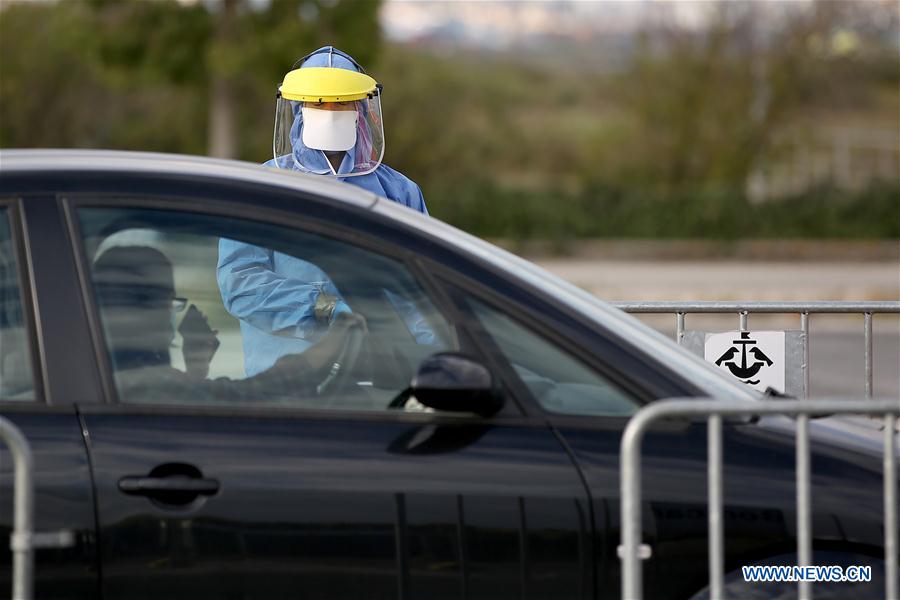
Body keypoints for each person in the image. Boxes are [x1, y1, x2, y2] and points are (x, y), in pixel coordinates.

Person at [218, 46, 430, 376]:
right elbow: (241, 284)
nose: (329, 111)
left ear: (361, 107)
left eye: (341, 101)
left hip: (382, 385)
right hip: (287, 386)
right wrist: (324, 308)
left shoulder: (400, 193)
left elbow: (425, 294)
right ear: (297, 108)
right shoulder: (259, 188)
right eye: (318, 102)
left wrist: (427, 368)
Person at [94, 245, 366, 404]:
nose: (172, 315)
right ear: (139, 311)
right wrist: (338, 330)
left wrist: (196, 365)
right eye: (168, 301)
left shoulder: (105, 380)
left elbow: (191, 411)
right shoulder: (140, 384)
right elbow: (246, 396)